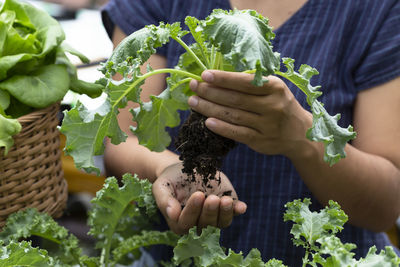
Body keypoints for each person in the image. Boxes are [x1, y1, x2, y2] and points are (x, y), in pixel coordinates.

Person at [101, 0, 400, 265]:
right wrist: (165, 167)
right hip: (174, 256)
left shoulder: (377, 9)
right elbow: (120, 138)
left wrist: (301, 137)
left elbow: (387, 202)